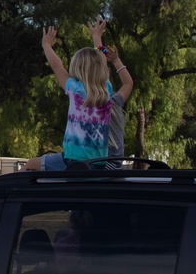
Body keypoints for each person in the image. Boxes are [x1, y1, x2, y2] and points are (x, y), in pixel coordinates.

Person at [24, 20, 121, 171]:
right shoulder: (106, 89)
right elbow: (102, 59)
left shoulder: (74, 89)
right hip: (99, 165)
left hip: (71, 162)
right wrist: (97, 37)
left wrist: (46, 46)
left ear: (77, 68)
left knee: (30, 165)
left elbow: (57, 65)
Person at [88, 16, 134, 162]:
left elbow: (101, 64)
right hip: (116, 165)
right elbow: (128, 83)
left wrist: (96, 38)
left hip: (97, 163)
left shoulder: (86, 104)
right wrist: (116, 60)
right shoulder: (114, 102)